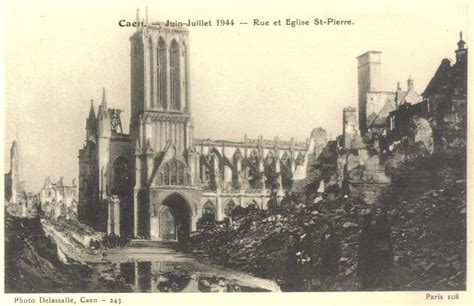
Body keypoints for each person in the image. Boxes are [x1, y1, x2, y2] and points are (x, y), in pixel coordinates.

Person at [372, 206, 394, 288]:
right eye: (376, 210)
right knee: (380, 264)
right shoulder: (378, 221)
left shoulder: (384, 221)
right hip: (381, 245)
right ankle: (382, 281)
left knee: (384, 264)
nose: (377, 212)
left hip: (383, 245)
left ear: (382, 212)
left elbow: (384, 232)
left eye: (379, 210)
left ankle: (386, 282)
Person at [318, 222, 341, 290]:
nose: (324, 228)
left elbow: (338, 248)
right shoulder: (323, 236)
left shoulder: (334, 237)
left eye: (325, 227)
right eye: (323, 227)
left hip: (332, 257)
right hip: (324, 258)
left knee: (332, 272)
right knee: (323, 272)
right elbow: (321, 247)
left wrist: (338, 257)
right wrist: (320, 256)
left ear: (330, 228)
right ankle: (324, 286)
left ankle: (331, 286)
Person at [358, 212, 374, 289]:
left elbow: (368, 241)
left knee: (367, 268)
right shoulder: (365, 229)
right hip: (364, 252)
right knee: (364, 268)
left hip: (368, 252)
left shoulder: (370, 229)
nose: (363, 222)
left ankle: (367, 284)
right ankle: (365, 283)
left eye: (364, 220)